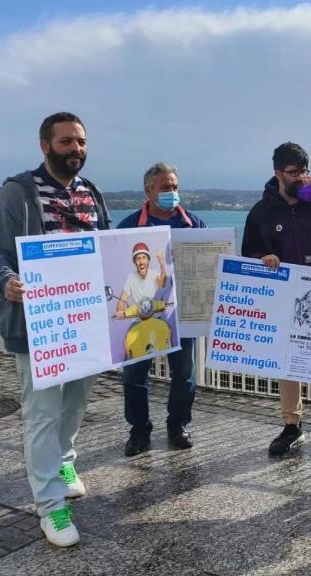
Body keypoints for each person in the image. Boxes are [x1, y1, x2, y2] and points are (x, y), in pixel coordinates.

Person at [0, 112, 111, 547]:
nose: (76, 149)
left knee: (74, 406)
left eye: (81, 141)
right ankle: (51, 506)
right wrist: (5, 283)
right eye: (66, 141)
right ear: (45, 146)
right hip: (38, 328)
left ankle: (65, 460)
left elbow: (106, 251)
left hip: (85, 324)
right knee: (41, 415)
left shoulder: (91, 193)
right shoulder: (17, 193)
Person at [241, 142, 311, 457]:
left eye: (304, 171)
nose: (300, 178)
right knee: (287, 362)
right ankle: (291, 426)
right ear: (278, 173)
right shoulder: (262, 211)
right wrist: (262, 256)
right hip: (284, 298)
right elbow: (248, 251)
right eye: (293, 172)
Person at [116, 162, 206, 457]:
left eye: (175, 187)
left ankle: (177, 425)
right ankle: (139, 429)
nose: (172, 193)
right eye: (165, 188)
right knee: (134, 375)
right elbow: (116, 270)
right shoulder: (129, 227)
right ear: (149, 190)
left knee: (185, 374)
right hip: (141, 316)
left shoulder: (194, 225)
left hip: (183, 314)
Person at [115, 242, 167, 319]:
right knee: (130, 331)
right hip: (138, 320)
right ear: (135, 262)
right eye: (138, 259)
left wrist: (162, 264)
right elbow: (122, 300)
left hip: (156, 318)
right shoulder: (131, 278)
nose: (141, 262)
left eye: (144, 257)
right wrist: (120, 310)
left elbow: (163, 283)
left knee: (166, 329)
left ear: (148, 260)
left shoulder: (154, 274)